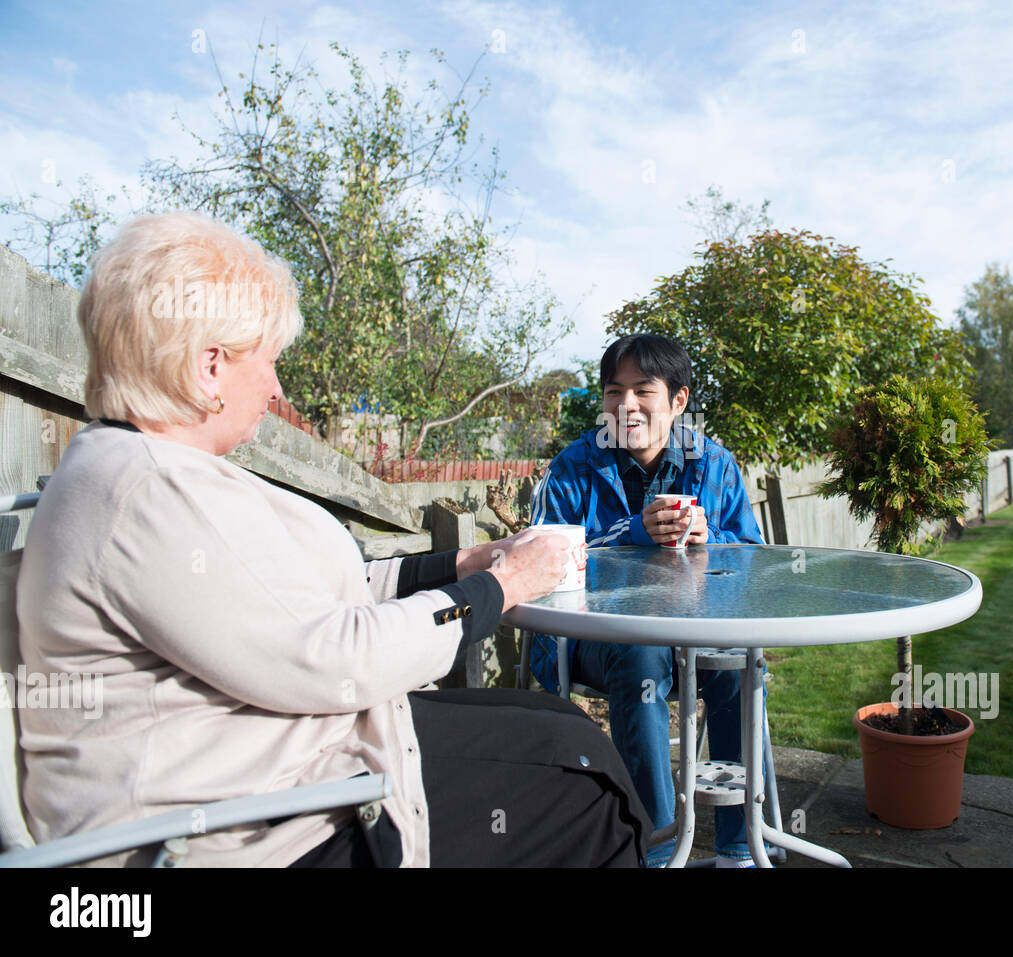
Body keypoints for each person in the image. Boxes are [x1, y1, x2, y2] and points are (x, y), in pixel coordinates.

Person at [15, 211, 650, 867]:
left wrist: (462, 561)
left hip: (291, 763)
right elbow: (337, 659)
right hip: (260, 830)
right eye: (266, 359)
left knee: (570, 730)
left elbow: (297, 600)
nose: (276, 385)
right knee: (587, 781)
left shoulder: (151, 470)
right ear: (209, 368)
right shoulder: (151, 491)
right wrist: (501, 586)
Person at [529, 334, 766, 866]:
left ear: (678, 400)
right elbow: (540, 561)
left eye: (643, 391)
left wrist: (713, 541)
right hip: (589, 638)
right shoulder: (572, 466)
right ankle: (656, 850)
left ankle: (739, 847)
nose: (626, 406)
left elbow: (753, 562)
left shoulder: (714, 465)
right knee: (641, 658)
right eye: (614, 392)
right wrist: (631, 531)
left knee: (739, 665)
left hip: (695, 632)